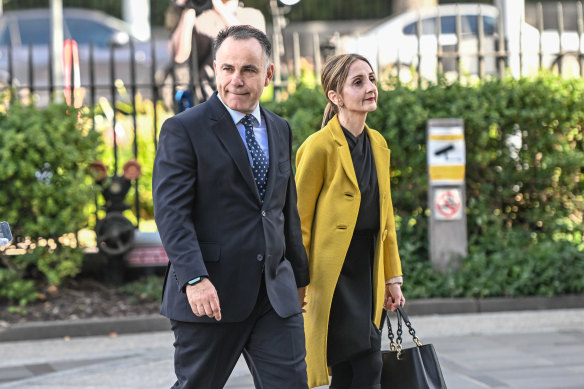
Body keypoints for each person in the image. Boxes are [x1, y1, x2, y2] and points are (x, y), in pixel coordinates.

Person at [152, 25, 310, 389]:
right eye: (228, 69)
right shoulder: (183, 129)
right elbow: (172, 213)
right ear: (216, 70)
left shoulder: (280, 128)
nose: (236, 80)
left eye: (249, 70)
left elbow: (284, 209)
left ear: (268, 74)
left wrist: (299, 278)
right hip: (210, 294)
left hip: (274, 296)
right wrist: (194, 277)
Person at [295, 53, 406, 389]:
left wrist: (392, 277)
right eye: (358, 82)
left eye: (371, 79)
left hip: (368, 270)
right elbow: (298, 221)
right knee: (365, 362)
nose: (370, 87)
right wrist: (297, 281)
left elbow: (386, 220)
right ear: (335, 96)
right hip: (333, 274)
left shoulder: (378, 144)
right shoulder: (318, 147)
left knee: (351, 369)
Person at [165, 0, 265, 109]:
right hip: (203, 100)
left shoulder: (252, 15)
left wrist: (220, 9)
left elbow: (252, 47)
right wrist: (188, 9)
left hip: (240, 99)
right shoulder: (198, 18)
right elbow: (179, 56)